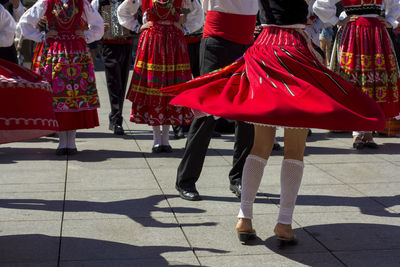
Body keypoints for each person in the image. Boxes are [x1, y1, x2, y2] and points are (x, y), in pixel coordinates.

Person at [161, 0, 385, 245]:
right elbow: (321, 6)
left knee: (260, 146)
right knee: (294, 149)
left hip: (264, 49)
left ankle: (244, 216)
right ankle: (284, 223)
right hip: (293, 51)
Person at [170, 0, 258, 201]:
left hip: (247, 42)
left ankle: (239, 179)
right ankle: (186, 180)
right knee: (206, 113)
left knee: (246, 114)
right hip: (217, 41)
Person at [18, 0, 104, 155]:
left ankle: (71, 141)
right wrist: (42, 36)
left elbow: (98, 24)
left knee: (75, 96)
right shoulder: (47, 2)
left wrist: (86, 35)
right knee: (58, 95)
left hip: (76, 52)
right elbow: (24, 22)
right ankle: (62, 141)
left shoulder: (81, 3)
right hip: (55, 52)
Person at [117, 0, 203, 153]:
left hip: (173, 42)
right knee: (154, 87)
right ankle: (157, 138)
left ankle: (166, 138)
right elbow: (122, 11)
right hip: (152, 42)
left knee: (171, 87)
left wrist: (185, 28)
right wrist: (138, 27)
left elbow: (198, 13)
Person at [314, 0, 400, 149]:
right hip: (354, 34)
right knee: (355, 82)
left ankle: (368, 132)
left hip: (375, 33)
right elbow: (319, 5)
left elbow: (395, 5)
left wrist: (390, 21)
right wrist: (337, 21)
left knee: (373, 82)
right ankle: (356, 132)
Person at [92, 0, 133, 135]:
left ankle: (115, 116)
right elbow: (88, 20)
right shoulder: (99, 1)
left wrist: (134, 24)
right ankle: (116, 119)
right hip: (109, 45)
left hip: (126, 43)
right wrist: (99, 26)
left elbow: (139, 15)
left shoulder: (129, 2)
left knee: (122, 81)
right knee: (114, 82)